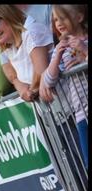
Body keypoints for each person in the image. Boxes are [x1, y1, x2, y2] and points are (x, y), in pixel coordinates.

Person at [40, 4, 88, 166]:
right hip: (81, 113)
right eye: (55, 20)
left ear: (79, 17)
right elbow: (48, 81)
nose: (58, 23)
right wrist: (57, 57)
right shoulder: (61, 49)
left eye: (62, 18)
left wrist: (84, 51)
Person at [0, 5, 53, 102]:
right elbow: (8, 70)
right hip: (48, 109)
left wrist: (29, 92)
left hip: (66, 103)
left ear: (8, 15)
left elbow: (40, 72)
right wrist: (20, 87)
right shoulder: (5, 44)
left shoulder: (31, 32)